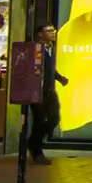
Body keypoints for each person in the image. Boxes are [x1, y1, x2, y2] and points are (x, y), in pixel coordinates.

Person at [28, 24, 69, 166]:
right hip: (39, 92)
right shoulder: (36, 50)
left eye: (53, 30)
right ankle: (36, 151)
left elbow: (50, 69)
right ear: (40, 34)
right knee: (39, 121)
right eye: (49, 31)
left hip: (50, 91)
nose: (53, 33)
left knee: (54, 119)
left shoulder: (48, 49)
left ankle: (33, 142)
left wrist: (60, 78)